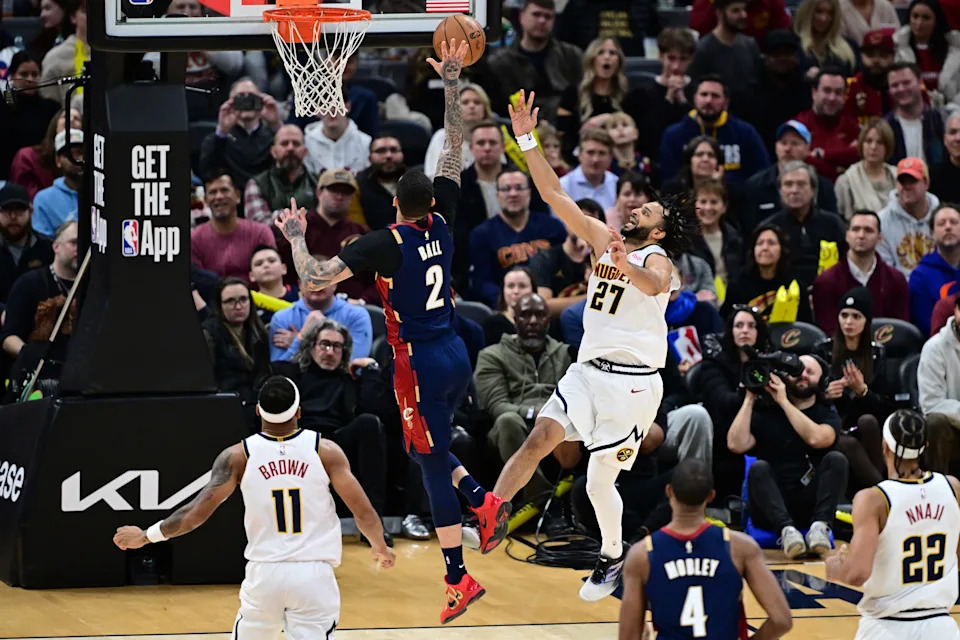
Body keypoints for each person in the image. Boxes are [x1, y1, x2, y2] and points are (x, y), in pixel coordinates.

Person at [274, 40, 505, 623]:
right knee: (420, 444)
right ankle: (483, 499)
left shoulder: (383, 242)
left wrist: (297, 235)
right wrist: (452, 84)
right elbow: (453, 145)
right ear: (427, 202)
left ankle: (458, 576)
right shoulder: (443, 214)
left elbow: (314, 277)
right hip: (454, 350)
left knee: (427, 462)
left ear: (394, 203)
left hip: (418, 360)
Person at [489, 89, 697, 602]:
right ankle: (490, 509)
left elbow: (650, 286)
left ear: (660, 227)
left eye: (644, 207)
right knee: (540, 435)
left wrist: (619, 260)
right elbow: (553, 196)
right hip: (587, 371)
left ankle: (612, 556)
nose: (632, 208)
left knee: (598, 484)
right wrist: (525, 138)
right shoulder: (606, 238)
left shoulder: (659, 261)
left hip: (632, 386)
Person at [112, 376, 396, 639]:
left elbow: (194, 516)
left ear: (258, 411)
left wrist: (145, 535)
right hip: (314, 576)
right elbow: (364, 513)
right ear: (299, 411)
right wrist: (380, 547)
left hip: (265, 574)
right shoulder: (326, 451)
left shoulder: (237, 456)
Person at [618, 459, 793, 640]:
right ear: (710, 496)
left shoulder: (642, 553)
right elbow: (781, 620)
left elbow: (628, 636)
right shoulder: (740, 547)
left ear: (669, 491)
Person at [825, 410, 960, 640]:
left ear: (885, 446)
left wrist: (836, 568)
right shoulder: (952, 487)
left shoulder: (873, 499)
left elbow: (857, 574)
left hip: (887, 627)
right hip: (941, 627)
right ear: (923, 447)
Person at [728, 354, 848, 558]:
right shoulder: (767, 412)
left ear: (821, 381)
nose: (803, 375)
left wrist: (784, 402)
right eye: (797, 370)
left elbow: (817, 439)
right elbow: (736, 444)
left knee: (837, 460)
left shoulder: (827, 413)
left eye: (810, 372)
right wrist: (750, 397)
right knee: (758, 468)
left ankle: (820, 527)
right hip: (773, 506)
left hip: (810, 505)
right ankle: (787, 531)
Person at [812, 210, 910, 333]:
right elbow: (828, 330)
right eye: (855, 229)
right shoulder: (826, 281)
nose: (861, 235)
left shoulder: (896, 280)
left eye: (868, 230)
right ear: (847, 235)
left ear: (879, 238)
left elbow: (900, 328)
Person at [687, 0, 764, 115]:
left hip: (749, 117)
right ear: (719, 13)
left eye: (743, 10)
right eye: (735, 11)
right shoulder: (703, 50)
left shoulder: (750, 45)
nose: (743, 15)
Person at [877, 157, 940, 278]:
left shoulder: (941, 217)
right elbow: (885, 270)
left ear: (926, 183)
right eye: (902, 181)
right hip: (899, 289)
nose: (907, 186)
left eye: (912, 181)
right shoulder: (882, 221)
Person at [909, 204, 960, 335]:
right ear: (932, 232)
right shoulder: (920, 276)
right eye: (941, 224)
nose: (948, 227)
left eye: (954, 222)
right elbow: (926, 325)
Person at [834, 118, 898, 220]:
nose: (873, 147)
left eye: (880, 142)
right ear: (861, 144)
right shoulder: (846, 181)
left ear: (888, 146)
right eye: (868, 141)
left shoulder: (898, 177)